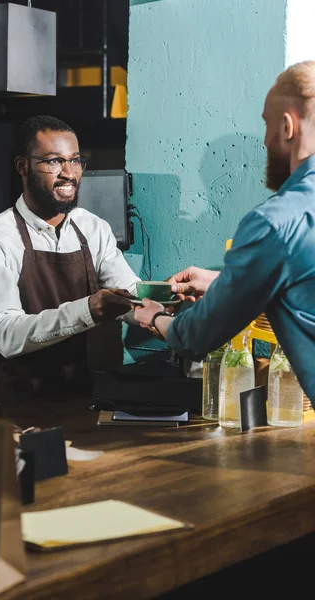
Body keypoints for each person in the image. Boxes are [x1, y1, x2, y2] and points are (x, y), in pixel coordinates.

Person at [134, 60, 315, 406]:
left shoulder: (275, 222)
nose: (264, 140)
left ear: (287, 126)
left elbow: (196, 335)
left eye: (267, 125)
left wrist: (155, 317)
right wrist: (222, 283)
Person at [0, 115, 139, 404]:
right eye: (53, 161)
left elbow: (130, 295)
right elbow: (4, 335)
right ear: (22, 166)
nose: (68, 173)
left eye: (75, 160)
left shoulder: (93, 228)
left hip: (86, 396)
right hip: (22, 403)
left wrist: (168, 306)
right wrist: (88, 310)